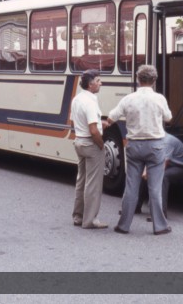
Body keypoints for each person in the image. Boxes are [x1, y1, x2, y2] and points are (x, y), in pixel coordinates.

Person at [107, 65, 173, 235]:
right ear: (154, 80)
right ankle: (160, 226)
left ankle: (123, 225)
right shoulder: (159, 99)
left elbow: (111, 117)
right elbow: (169, 117)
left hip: (134, 145)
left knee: (131, 187)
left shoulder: (128, 99)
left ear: (138, 79)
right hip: (156, 146)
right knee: (155, 188)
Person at [70, 69, 109, 229]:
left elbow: (76, 122)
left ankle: (78, 216)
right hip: (91, 144)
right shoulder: (91, 101)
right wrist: (101, 145)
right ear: (90, 84)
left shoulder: (77, 99)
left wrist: (101, 124)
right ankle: (90, 220)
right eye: (98, 81)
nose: (101, 83)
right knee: (93, 184)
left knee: (82, 180)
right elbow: (93, 130)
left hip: (79, 141)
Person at [136, 133, 183, 218]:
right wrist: (144, 173)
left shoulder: (167, 141)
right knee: (142, 174)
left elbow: (164, 164)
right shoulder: (155, 140)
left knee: (163, 177)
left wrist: (151, 175)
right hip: (168, 164)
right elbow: (149, 159)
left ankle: (160, 214)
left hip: (179, 167)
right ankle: (136, 206)